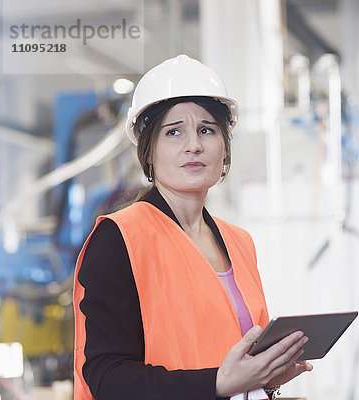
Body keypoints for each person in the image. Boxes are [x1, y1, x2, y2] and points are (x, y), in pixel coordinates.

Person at [73, 54, 313, 400]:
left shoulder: (240, 242)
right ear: (149, 151)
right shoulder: (120, 237)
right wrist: (218, 383)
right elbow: (108, 377)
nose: (194, 145)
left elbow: (232, 359)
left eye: (206, 130)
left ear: (224, 149)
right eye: (174, 132)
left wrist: (266, 374)